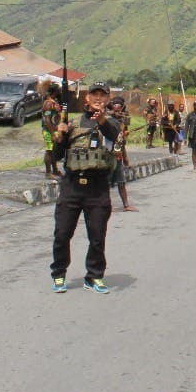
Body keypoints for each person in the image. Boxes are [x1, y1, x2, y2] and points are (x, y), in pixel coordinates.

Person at [49, 80, 120, 295]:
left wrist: (101, 120)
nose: (98, 99)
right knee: (62, 233)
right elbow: (57, 155)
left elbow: (112, 134)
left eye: (102, 95)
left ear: (107, 99)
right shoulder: (73, 123)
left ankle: (95, 276)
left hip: (97, 187)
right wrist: (60, 136)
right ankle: (59, 274)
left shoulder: (113, 123)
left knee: (97, 235)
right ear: (87, 98)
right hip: (72, 185)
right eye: (94, 95)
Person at [107, 96, 138, 213]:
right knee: (107, 182)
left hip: (118, 153)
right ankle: (108, 206)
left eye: (120, 110)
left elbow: (121, 142)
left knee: (121, 181)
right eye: (116, 110)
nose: (118, 113)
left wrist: (125, 159)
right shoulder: (106, 120)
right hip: (107, 155)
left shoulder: (121, 123)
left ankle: (126, 205)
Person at [41, 84, 62, 180]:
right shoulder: (48, 104)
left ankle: (55, 169)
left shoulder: (53, 102)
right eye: (59, 91)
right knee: (49, 151)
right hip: (48, 131)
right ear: (55, 92)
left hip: (54, 129)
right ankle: (48, 172)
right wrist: (52, 133)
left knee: (54, 151)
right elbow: (47, 120)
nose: (60, 92)